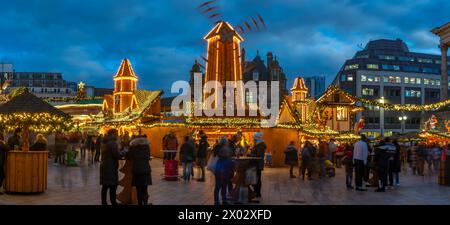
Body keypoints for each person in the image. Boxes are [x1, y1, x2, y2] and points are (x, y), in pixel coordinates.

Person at [100, 129, 127, 205]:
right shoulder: (112, 143)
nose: (117, 135)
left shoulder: (105, 142)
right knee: (113, 185)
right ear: (112, 134)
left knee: (105, 186)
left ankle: (104, 202)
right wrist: (125, 151)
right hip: (110, 166)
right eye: (116, 133)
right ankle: (113, 202)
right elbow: (117, 155)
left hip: (105, 165)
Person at [127, 134, 152, 205]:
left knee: (139, 189)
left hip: (137, 170)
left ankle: (140, 203)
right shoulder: (147, 147)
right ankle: (146, 203)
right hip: (146, 169)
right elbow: (148, 156)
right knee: (145, 189)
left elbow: (129, 156)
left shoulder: (133, 148)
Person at [213, 137, 234, 205]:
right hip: (224, 170)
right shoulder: (225, 150)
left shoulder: (217, 148)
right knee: (224, 186)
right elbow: (229, 161)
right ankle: (224, 200)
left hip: (218, 169)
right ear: (225, 143)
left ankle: (216, 201)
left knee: (218, 186)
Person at [250, 132, 266, 200]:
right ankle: (256, 191)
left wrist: (251, 155)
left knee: (257, 178)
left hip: (257, 164)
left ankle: (257, 192)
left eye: (254, 139)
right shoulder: (258, 145)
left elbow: (259, 156)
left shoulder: (260, 145)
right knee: (256, 178)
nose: (253, 140)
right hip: (256, 164)